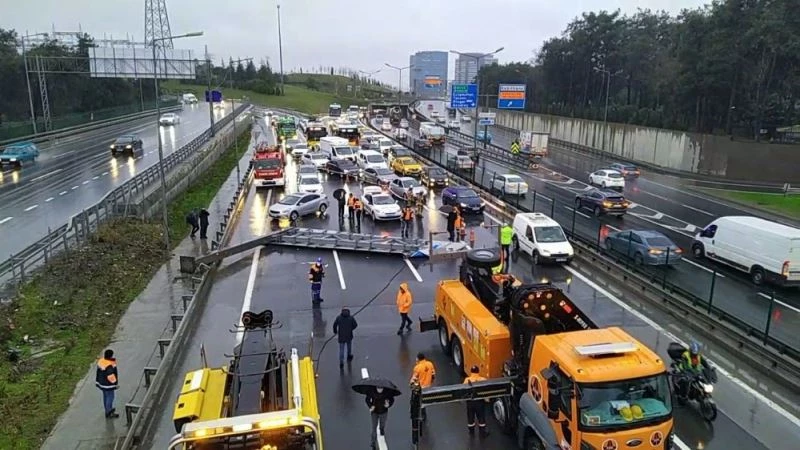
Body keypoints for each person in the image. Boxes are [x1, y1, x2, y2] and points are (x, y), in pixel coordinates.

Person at [463, 365, 489, 436]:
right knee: (481, 417)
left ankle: (471, 432)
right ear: (478, 371)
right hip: (479, 402)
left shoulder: (466, 380)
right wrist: (487, 399)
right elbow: (486, 390)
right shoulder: (482, 379)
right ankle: (482, 432)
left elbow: (463, 391)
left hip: (470, 402)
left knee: (470, 417)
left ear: (471, 372)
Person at [410, 353, 436, 421]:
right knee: (424, 400)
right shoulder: (430, 364)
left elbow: (414, 379)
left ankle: (420, 415)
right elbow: (433, 375)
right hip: (428, 386)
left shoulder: (417, 367)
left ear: (418, 359)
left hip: (421, 387)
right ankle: (424, 414)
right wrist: (431, 381)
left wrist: (412, 386)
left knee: (418, 401)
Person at [95, 349, 119, 419]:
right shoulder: (109, 365)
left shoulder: (101, 361)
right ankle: (109, 412)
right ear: (111, 355)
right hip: (108, 385)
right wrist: (115, 384)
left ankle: (107, 410)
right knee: (110, 397)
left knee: (105, 397)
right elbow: (110, 376)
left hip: (101, 383)